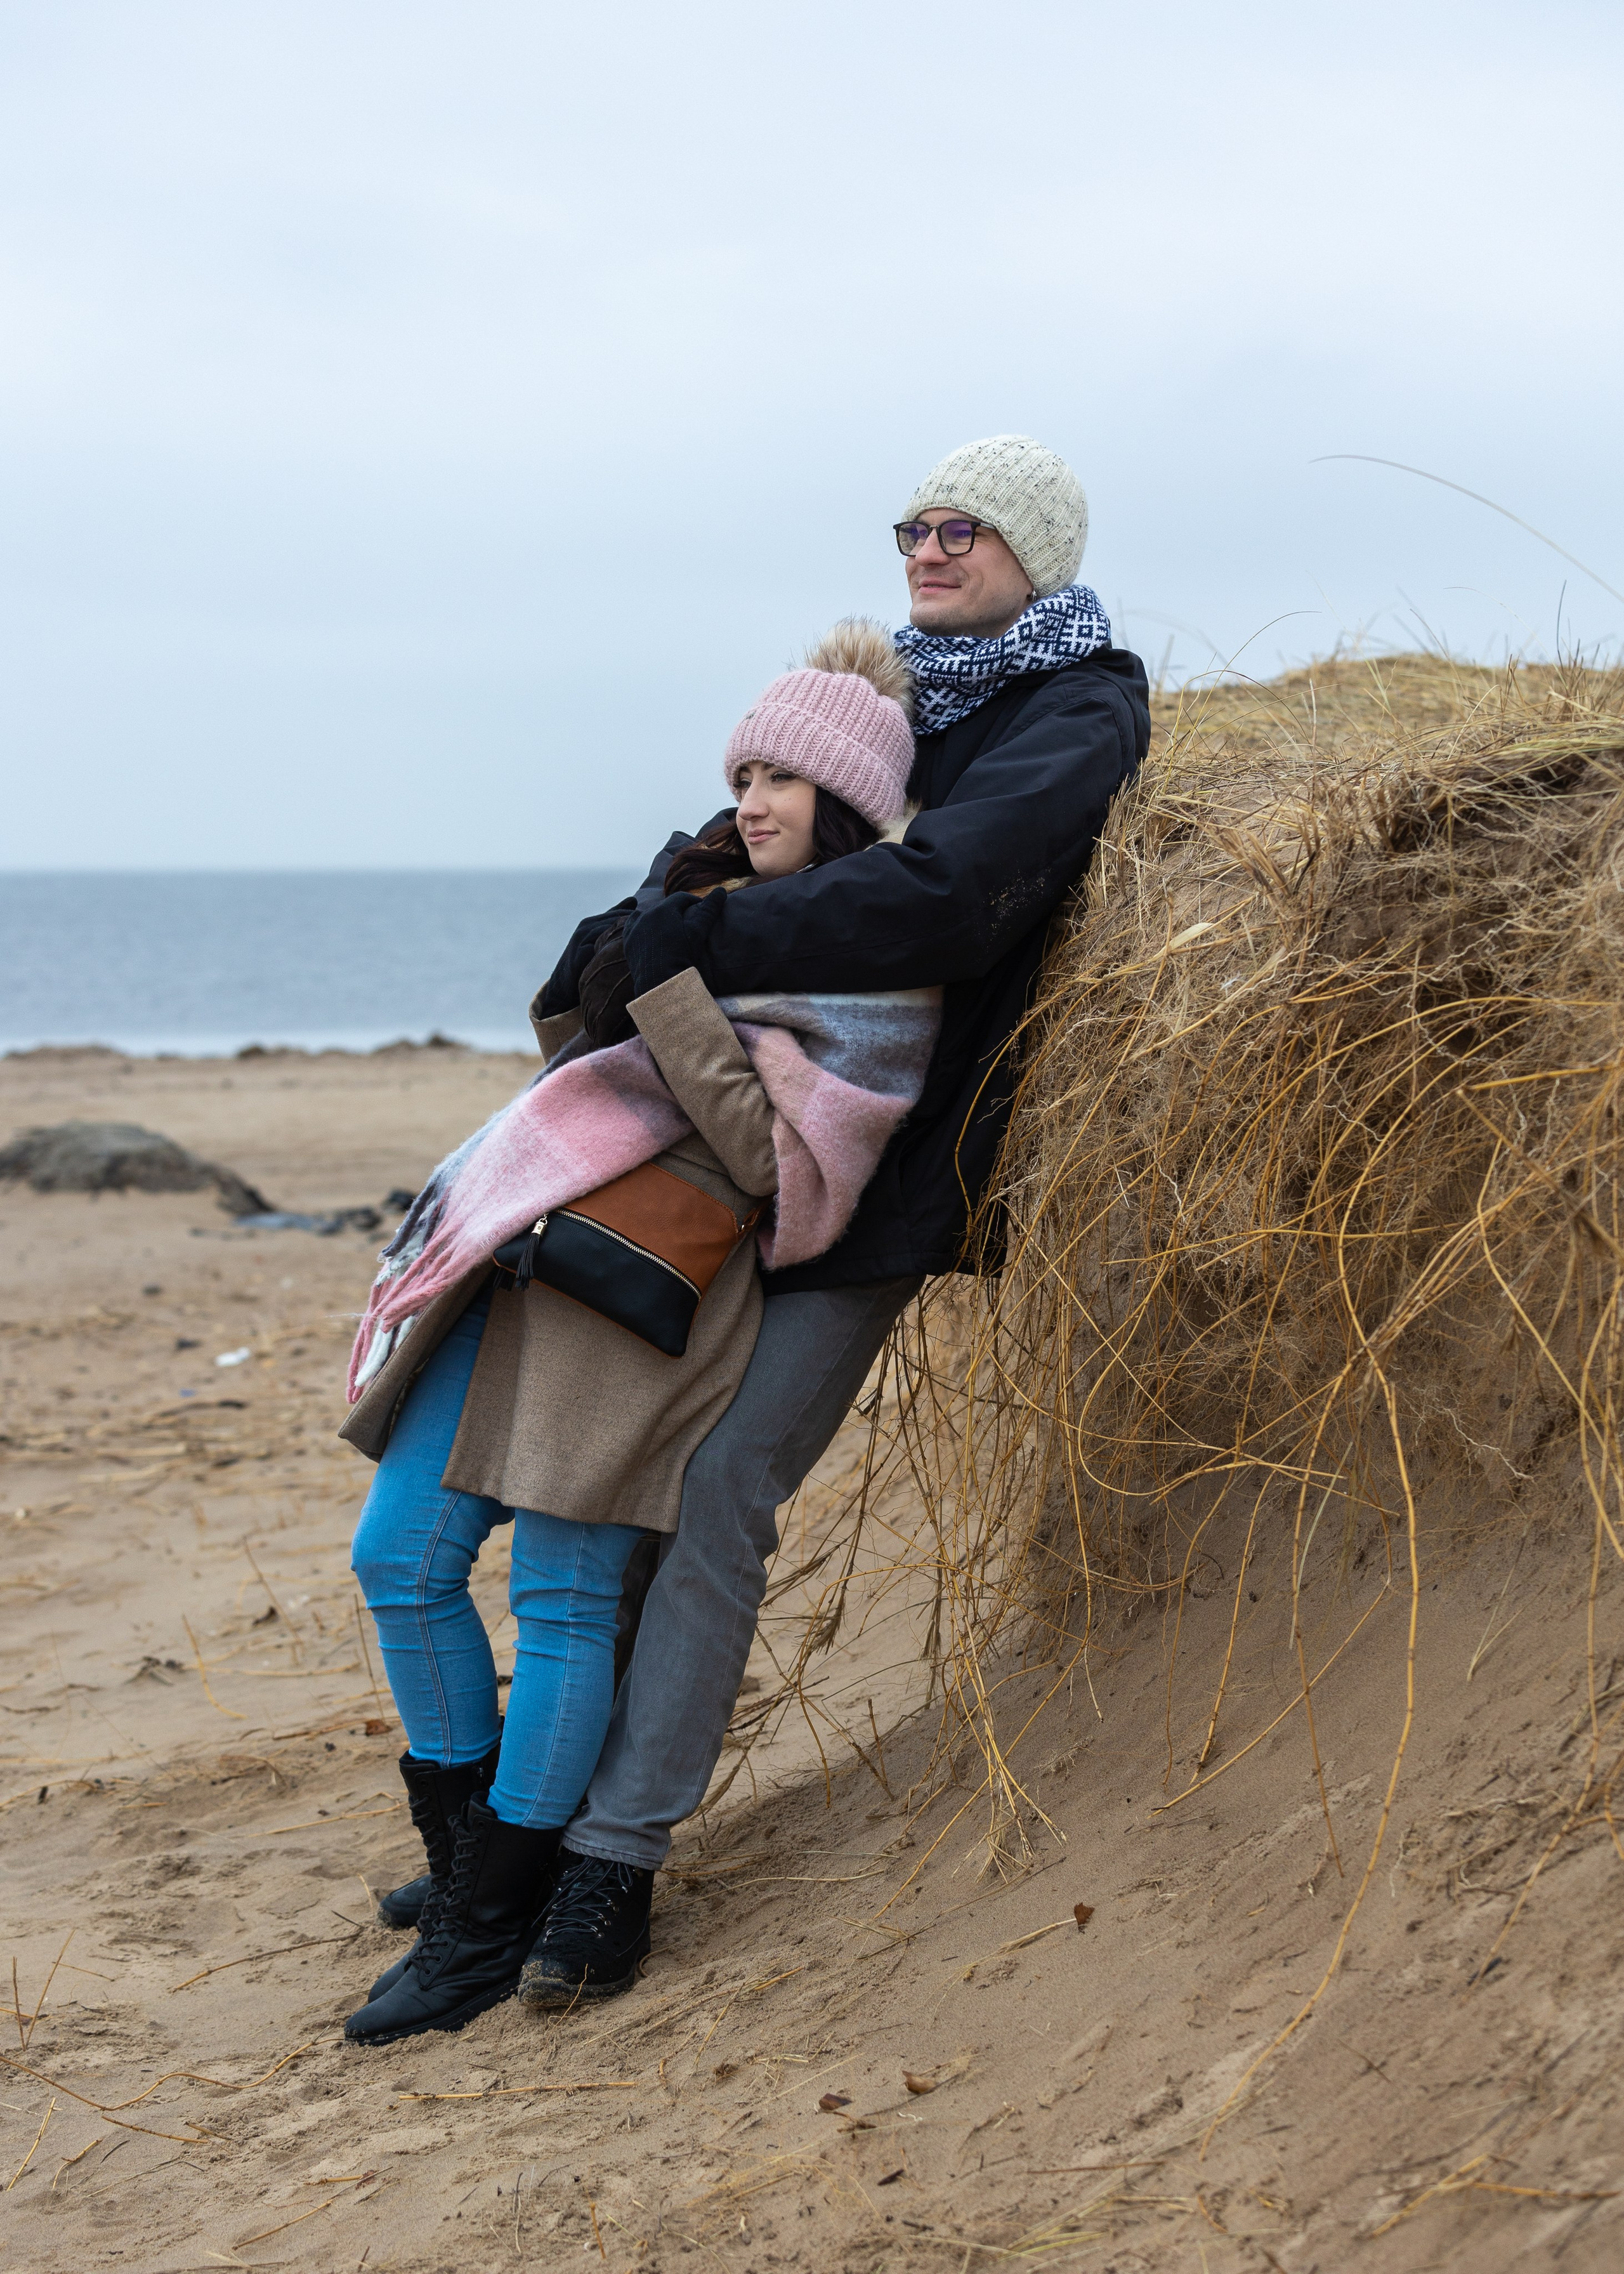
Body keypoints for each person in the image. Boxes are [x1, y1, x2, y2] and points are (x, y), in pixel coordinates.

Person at [518, 435, 1151, 2011]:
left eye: (964, 528)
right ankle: (527, 1830)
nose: (927, 549)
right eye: (913, 526)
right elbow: (725, 846)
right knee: (622, 1474)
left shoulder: (1077, 707)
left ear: (1036, 551)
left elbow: (941, 897)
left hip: (885, 1170)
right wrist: (643, 926)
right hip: (727, 1163)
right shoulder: (879, 701)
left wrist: (697, 941)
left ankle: (612, 1862)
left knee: (721, 1482)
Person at [341, 624, 934, 2045]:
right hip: (521, 1255)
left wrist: (668, 986)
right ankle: (474, 1860)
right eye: (744, 773)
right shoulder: (706, 895)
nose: (754, 799)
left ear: (849, 799)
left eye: (784, 778)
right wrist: (609, 966)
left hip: (645, 1292)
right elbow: (586, 1070)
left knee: (560, 1589)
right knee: (398, 1557)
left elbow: (773, 1162)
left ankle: (486, 1922)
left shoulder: (875, 959)